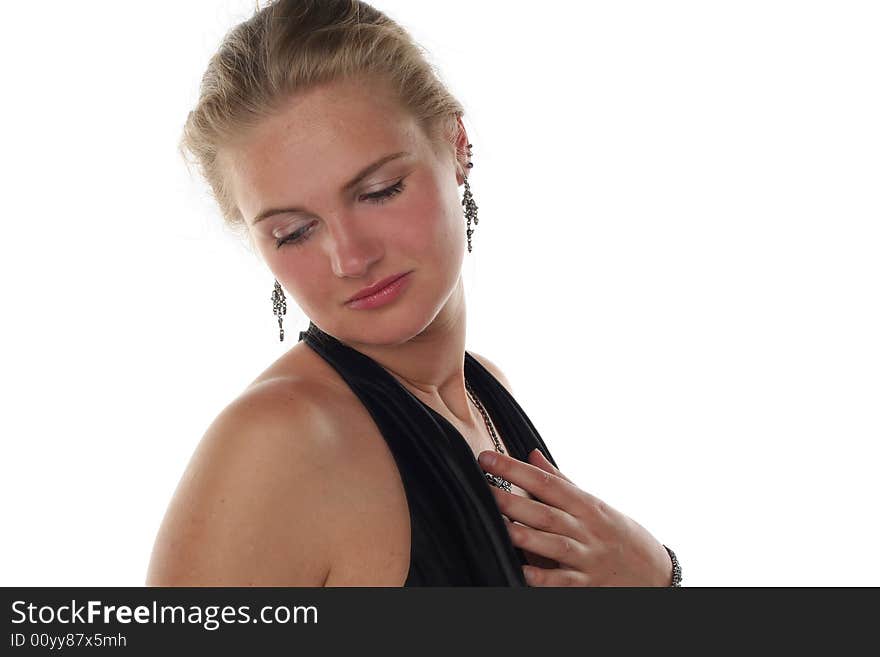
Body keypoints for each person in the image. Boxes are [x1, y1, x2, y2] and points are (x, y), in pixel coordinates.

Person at [145, 0, 681, 587]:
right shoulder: (282, 440)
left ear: (457, 145)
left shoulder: (485, 392)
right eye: (293, 232)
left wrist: (655, 575)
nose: (350, 258)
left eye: (379, 191)